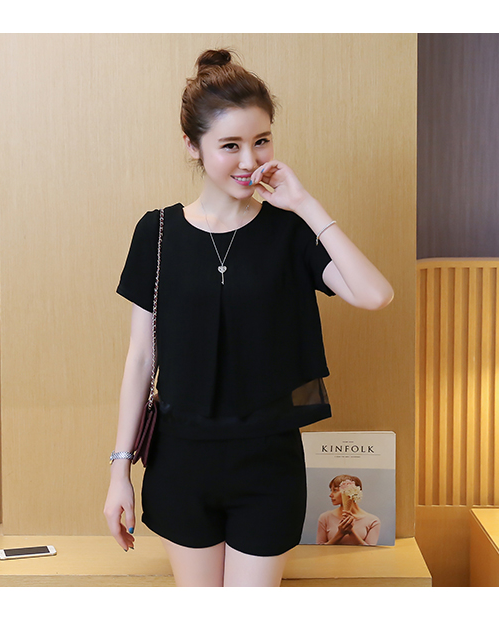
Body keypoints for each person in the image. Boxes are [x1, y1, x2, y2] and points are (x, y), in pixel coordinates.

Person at [103, 49, 394, 587]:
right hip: (181, 462)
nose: (249, 160)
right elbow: (141, 358)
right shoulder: (157, 234)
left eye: (261, 141)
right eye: (230, 145)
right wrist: (120, 470)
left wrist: (305, 204)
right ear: (192, 146)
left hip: (268, 465)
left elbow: (375, 295)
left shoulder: (289, 233)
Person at [316, 475, 381, 546]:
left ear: (351, 492)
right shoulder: (325, 518)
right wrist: (340, 533)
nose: (330, 495)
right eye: (331, 490)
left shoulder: (372, 521)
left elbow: (371, 550)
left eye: (335, 490)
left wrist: (351, 532)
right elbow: (319, 548)